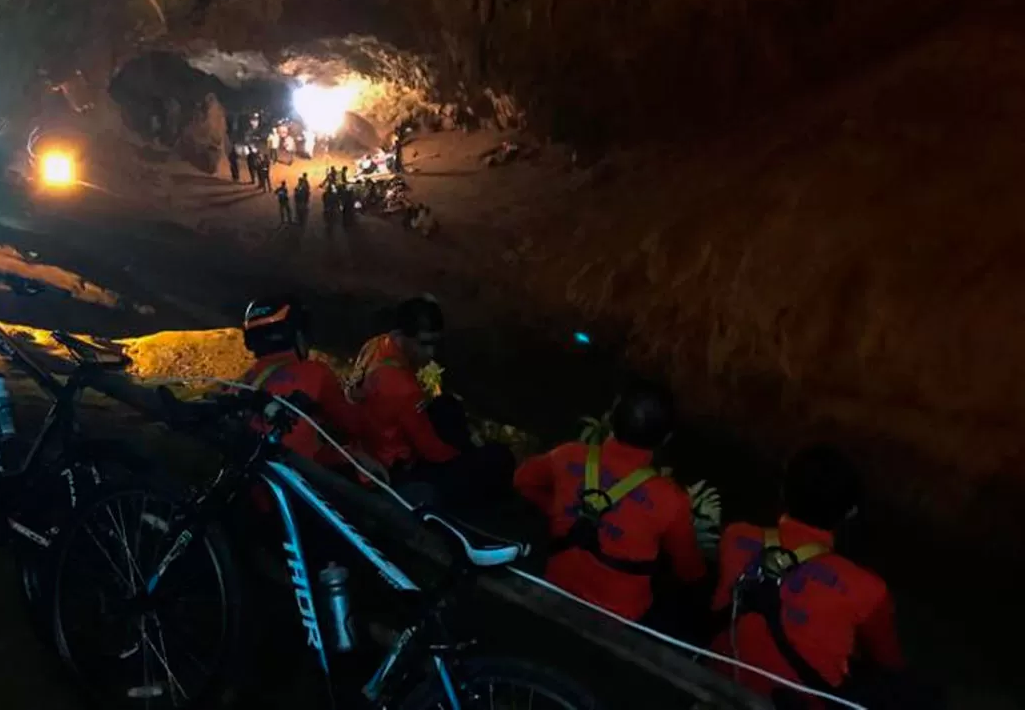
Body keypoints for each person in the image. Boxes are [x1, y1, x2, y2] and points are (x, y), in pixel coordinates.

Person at [711, 446, 905, 704]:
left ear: (782, 492)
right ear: (850, 513)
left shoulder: (736, 537)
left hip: (717, 678)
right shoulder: (867, 588)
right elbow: (889, 663)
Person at [513, 381, 706, 621]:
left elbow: (523, 481)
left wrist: (559, 512)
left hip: (554, 589)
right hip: (620, 620)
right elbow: (690, 572)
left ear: (610, 419)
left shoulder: (568, 455)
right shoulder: (670, 499)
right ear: (665, 439)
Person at [351, 297, 513, 511]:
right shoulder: (404, 388)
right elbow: (433, 452)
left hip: (369, 445)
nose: (431, 353)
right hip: (395, 471)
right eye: (424, 343)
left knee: (446, 406)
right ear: (403, 335)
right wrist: (467, 456)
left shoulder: (376, 345)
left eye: (434, 344)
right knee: (496, 458)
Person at [237, 298, 372, 468]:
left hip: (247, 479)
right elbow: (353, 425)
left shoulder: (241, 382)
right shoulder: (316, 373)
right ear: (298, 335)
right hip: (293, 482)